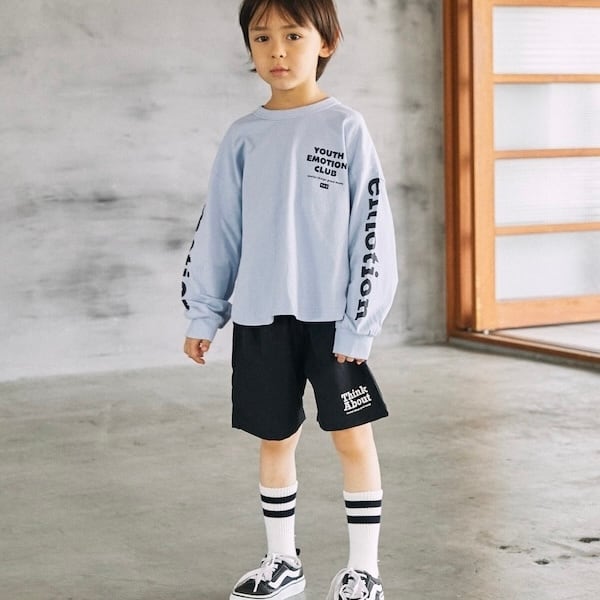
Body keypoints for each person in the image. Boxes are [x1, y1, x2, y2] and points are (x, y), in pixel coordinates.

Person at [181, 0, 397, 598]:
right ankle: (283, 562)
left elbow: (371, 229)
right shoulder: (243, 136)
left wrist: (359, 324)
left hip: (333, 322)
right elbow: (219, 229)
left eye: (293, 35)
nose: (277, 49)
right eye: (262, 37)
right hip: (260, 318)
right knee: (274, 438)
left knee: (352, 437)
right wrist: (205, 312)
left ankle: (364, 571)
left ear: (326, 42)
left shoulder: (345, 128)